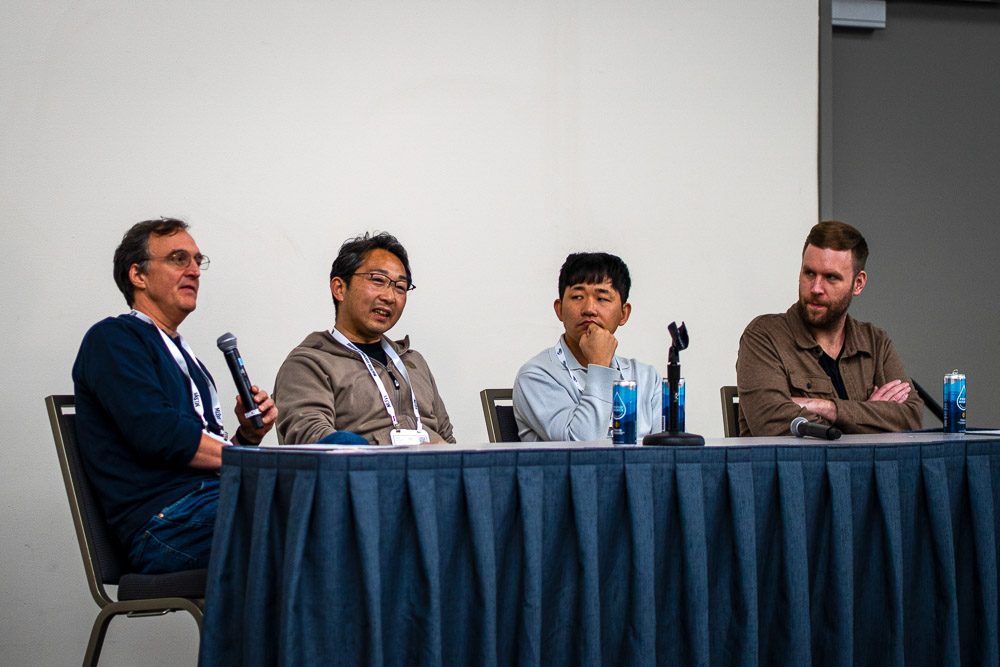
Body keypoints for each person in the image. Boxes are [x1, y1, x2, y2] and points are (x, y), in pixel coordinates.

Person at [73, 218, 277, 574]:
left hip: (211, 502)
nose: (194, 270)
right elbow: (159, 435)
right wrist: (255, 463)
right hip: (166, 523)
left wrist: (247, 437)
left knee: (342, 456)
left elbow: (205, 451)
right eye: (179, 259)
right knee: (314, 509)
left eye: (198, 261)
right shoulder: (113, 339)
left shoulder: (188, 358)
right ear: (138, 275)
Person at [736, 220, 923, 436]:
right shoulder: (763, 337)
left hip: (865, 471)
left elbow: (911, 419)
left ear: (858, 283)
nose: (816, 288)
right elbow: (773, 423)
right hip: (796, 469)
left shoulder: (875, 342)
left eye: (830, 277)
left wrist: (824, 407)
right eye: (809, 273)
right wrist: (868, 416)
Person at [274, 232, 455, 445]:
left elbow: (447, 439)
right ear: (340, 288)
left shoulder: (414, 362)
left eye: (400, 287)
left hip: (435, 475)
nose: (389, 297)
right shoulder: (308, 363)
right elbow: (314, 442)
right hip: (366, 475)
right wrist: (404, 460)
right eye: (378, 280)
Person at [513, 252, 662, 442]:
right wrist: (599, 364)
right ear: (559, 309)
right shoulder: (536, 376)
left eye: (602, 298)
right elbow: (582, 449)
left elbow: (666, 458)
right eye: (577, 297)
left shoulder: (646, 378)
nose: (589, 309)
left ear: (624, 314)